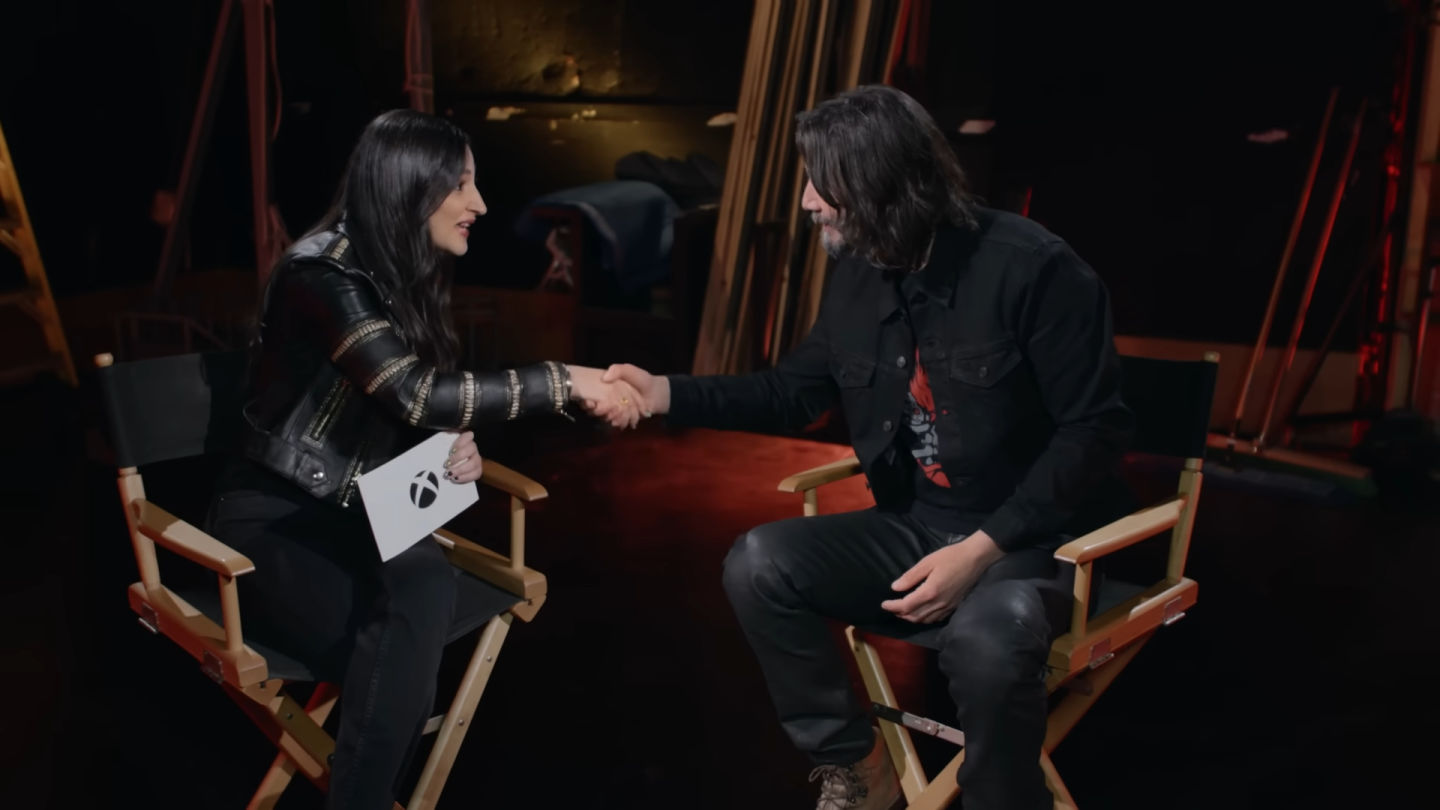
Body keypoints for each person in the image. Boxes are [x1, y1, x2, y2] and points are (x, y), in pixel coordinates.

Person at [600, 85, 1134, 810]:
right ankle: (857, 765)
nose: (807, 201)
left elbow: (1094, 432)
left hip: (1034, 540)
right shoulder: (860, 270)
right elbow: (792, 391)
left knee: (988, 642)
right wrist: (663, 391)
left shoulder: (1033, 267)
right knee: (759, 563)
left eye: (823, 182)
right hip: (919, 525)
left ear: (884, 183)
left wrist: (982, 550)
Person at [204, 108, 641, 810]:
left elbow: (399, 405)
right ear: (409, 185)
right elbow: (411, 392)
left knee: (423, 592)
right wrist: (565, 380)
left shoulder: (400, 274)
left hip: (356, 510)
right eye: (461, 184)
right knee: (402, 648)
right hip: (272, 518)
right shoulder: (321, 274)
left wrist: (445, 444)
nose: (480, 204)